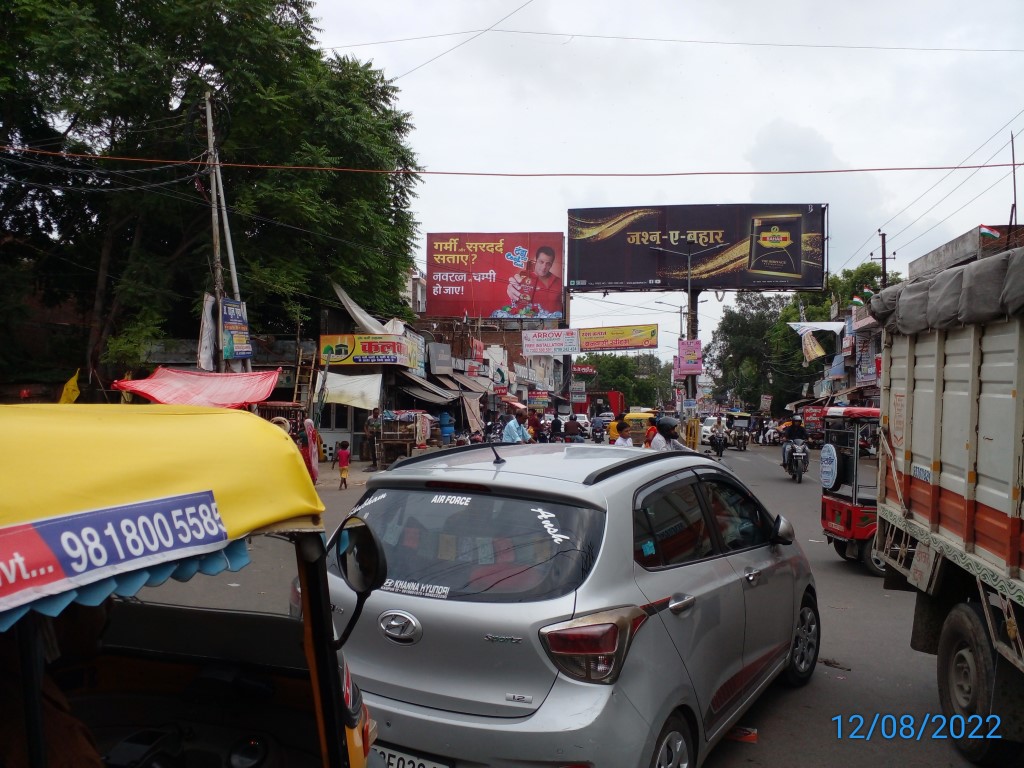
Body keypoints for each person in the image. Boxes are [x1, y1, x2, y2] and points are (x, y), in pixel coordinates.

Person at [506, 245, 562, 314]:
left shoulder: (559, 282)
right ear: (535, 260)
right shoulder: (523, 278)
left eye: (548, 264)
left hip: (556, 322)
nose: (544, 267)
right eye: (541, 262)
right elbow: (516, 305)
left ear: (551, 265)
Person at [364, 407, 381, 471]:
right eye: (375, 413)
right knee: (372, 449)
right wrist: (367, 433)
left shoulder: (380, 418)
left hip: (379, 434)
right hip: (371, 434)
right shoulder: (369, 418)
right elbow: (365, 426)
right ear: (373, 413)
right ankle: (374, 463)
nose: (377, 414)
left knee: (379, 448)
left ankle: (379, 462)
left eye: (378, 413)